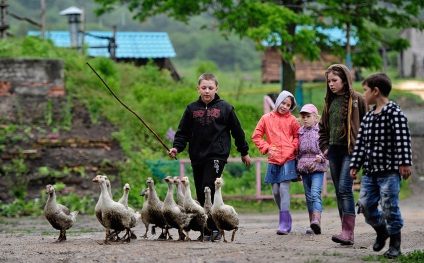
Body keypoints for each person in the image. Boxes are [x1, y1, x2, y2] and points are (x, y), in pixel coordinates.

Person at [168, 73, 252, 240]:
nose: (207, 91)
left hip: (217, 154)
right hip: (197, 155)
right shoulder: (191, 109)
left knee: (209, 187)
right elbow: (182, 132)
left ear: (216, 89)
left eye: (210, 88)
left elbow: (237, 131)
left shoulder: (225, 108)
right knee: (200, 191)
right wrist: (177, 148)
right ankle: (206, 226)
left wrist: (244, 152)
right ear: (198, 88)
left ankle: (214, 228)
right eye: (204, 88)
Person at [350, 73, 412, 258]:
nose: (363, 95)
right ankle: (381, 231)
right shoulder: (368, 117)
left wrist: (404, 162)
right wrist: (355, 164)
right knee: (366, 205)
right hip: (370, 172)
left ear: (376, 91)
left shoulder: (394, 113)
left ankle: (395, 244)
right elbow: (361, 144)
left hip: (389, 172)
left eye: (365, 90)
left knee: (389, 207)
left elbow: (403, 139)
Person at [318, 64, 368, 245]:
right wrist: (324, 147)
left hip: (351, 152)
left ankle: (348, 232)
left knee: (345, 189)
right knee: (339, 192)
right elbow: (322, 128)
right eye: (329, 81)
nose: (331, 84)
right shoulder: (328, 102)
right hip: (333, 151)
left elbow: (367, 125)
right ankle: (345, 230)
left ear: (345, 81)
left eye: (335, 80)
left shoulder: (358, 99)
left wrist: (363, 151)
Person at [252, 90, 300, 235]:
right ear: (278, 101)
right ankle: (286, 216)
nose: (285, 106)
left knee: (284, 189)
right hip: (273, 159)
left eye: (288, 105)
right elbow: (257, 136)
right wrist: (267, 148)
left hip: (288, 158)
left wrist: (292, 148)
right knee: (275, 191)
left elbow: (298, 137)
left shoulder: (292, 120)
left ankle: (284, 223)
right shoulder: (266, 118)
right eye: (283, 103)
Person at [297, 104, 328, 235]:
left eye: (308, 116)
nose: (305, 119)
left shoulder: (320, 132)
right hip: (304, 168)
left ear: (316, 118)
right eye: (303, 117)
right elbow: (297, 152)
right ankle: (312, 224)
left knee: (315, 193)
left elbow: (326, 147)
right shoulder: (300, 132)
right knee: (309, 197)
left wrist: (321, 157)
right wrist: (297, 170)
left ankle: (316, 221)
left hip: (317, 168)